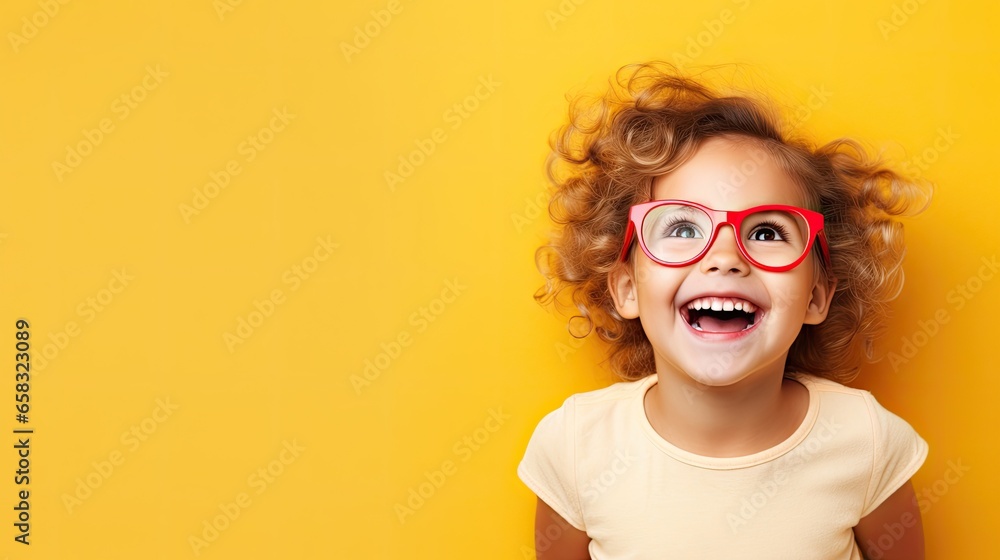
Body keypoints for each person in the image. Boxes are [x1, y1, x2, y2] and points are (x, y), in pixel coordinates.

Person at [518, 62, 930, 559]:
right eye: (682, 228)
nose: (725, 256)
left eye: (767, 232)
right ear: (626, 288)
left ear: (817, 296)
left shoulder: (867, 442)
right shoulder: (576, 448)